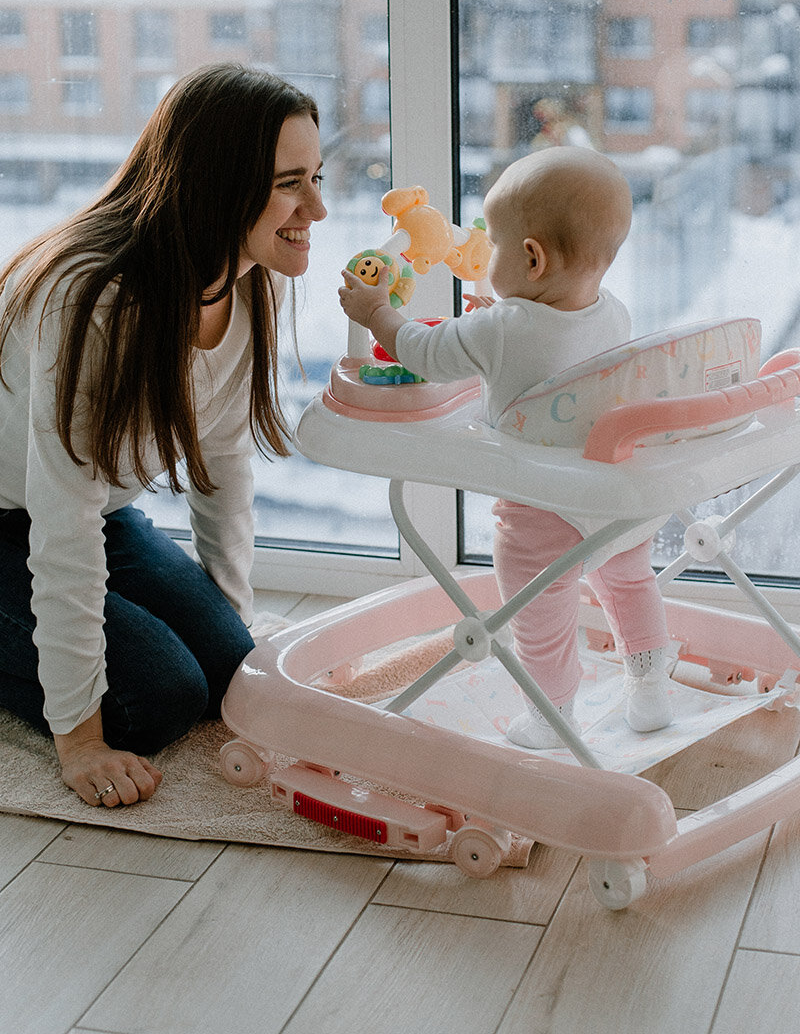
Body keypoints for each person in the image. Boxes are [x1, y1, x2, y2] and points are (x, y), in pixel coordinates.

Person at [0, 62, 327, 805]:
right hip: (25, 516)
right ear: (217, 185)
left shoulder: (247, 278)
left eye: (316, 175)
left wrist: (232, 633)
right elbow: (61, 526)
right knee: (162, 697)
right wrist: (79, 739)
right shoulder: (91, 303)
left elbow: (224, 469)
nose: (318, 206)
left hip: (90, 514)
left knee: (226, 673)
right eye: (289, 183)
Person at [338, 145, 672, 749]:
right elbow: (551, 351)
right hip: (618, 498)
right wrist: (499, 319)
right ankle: (650, 692)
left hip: (543, 506)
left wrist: (377, 311)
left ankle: (550, 714)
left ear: (532, 258)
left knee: (540, 608)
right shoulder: (613, 313)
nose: (484, 254)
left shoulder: (500, 331)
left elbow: (424, 352)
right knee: (629, 582)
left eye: (492, 245)